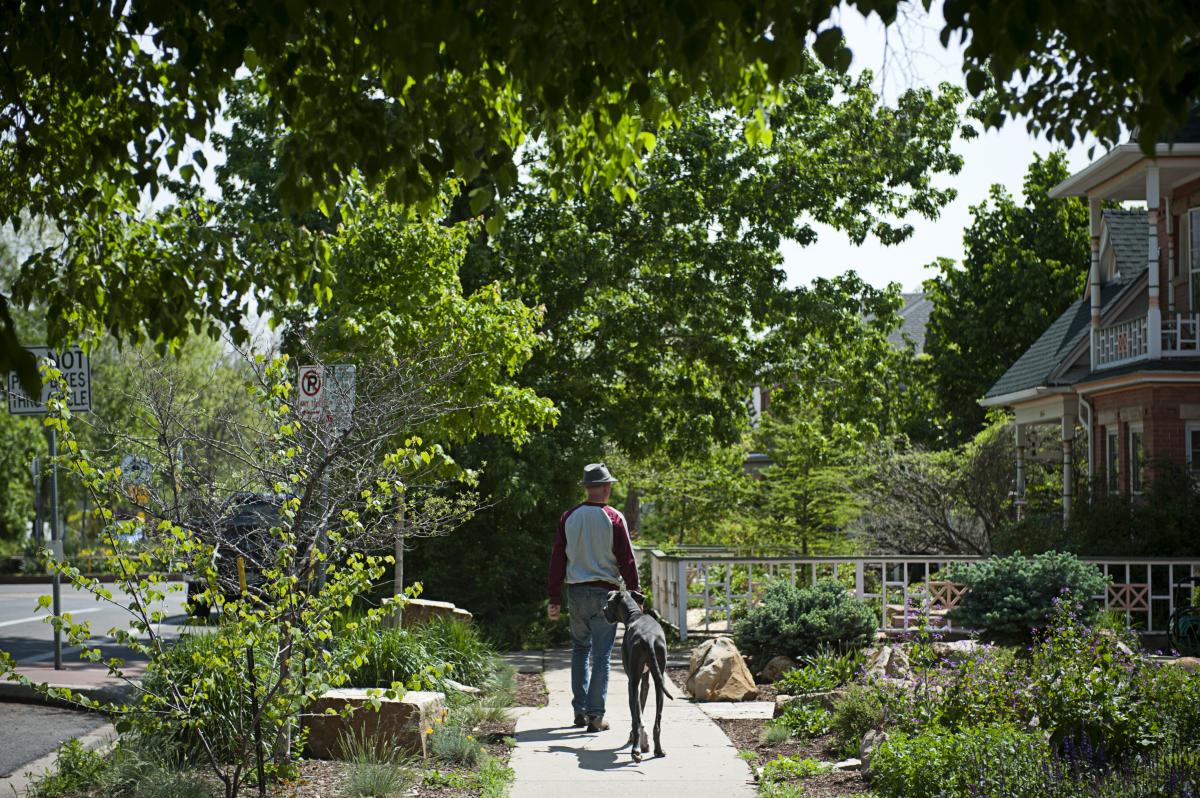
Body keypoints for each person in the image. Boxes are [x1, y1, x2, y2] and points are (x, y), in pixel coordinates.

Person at [547, 462, 640, 732]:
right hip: (605, 595)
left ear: (587, 488)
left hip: (575, 591)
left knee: (579, 649)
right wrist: (636, 596)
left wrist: (554, 598)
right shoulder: (613, 517)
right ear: (606, 487)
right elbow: (627, 561)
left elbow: (557, 559)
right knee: (600, 656)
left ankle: (579, 711)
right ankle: (595, 715)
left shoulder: (569, 517)